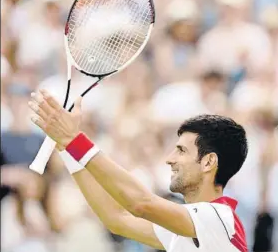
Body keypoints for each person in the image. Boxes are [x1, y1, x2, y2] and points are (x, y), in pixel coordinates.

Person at [29, 89, 248, 252]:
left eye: (181, 151)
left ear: (209, 162)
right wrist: (67, 148)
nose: (170, 159)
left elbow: (140, 203)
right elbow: (116, 218)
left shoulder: (219, 218)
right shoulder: (186, 227)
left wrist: (75, 140)